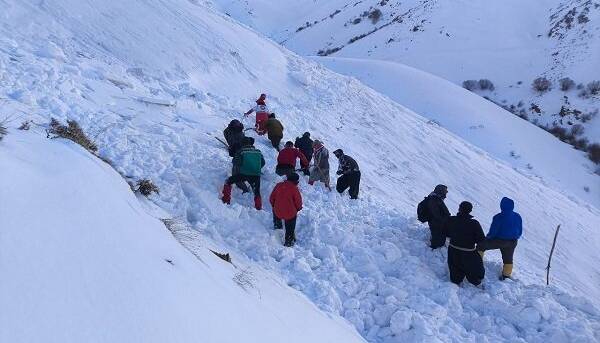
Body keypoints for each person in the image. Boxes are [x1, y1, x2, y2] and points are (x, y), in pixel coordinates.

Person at [478, 197, 522, 280]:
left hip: (500, 240)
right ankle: (506, 275)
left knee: (481, 245)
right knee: (508, 259)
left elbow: (493, 232)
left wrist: (487, 238)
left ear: (501, 206)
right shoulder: (517, 216)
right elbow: (520, 230)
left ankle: (477, 264)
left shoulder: (498, 217)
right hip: (513, 241)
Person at [445, 201, 486, 286]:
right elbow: (481, 239)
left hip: (453, 250)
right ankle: (475, 281)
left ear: (459, 208)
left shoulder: (451, 220)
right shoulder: (474, 223)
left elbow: (446, 232)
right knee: (474, 270)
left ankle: (456, 281)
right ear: (470, 210)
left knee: (455, 272)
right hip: (468, 252)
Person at [221, 137, 266, 210]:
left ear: (242, 144)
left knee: (228, 181)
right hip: (256, 175)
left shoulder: (241, 151)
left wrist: (242, 166)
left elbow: (236, 162)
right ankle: (258, 208)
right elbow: (263, 162)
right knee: (257, 191)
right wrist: (256, 167)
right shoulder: (258, 152)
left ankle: (226, 200)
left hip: (243, 174)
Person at [270, 172, 303, 247]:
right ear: (296, 181)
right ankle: (289, 240)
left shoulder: (278, 185)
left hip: (277, 211)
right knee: (291, 222)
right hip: (289, 214)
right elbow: (299, 203)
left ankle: (277, 227)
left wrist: (274, 206)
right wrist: (297, 209)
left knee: (275, 211)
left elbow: (271, 198)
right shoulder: (294, 189)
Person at [223, 120, 250, 193]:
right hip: (240, 153)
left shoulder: (238, 134)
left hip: (240, 154)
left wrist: (232, 147)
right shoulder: (231, 130)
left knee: (236, 174)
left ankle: (245, 189)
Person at [424, 184, 451, 249]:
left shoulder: (436, 199)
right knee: (438, 243)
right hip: (437, 225)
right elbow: (437, 215)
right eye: (445, 192)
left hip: (437, 224)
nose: (445, 195)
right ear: (440, 191)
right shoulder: (434, 200)